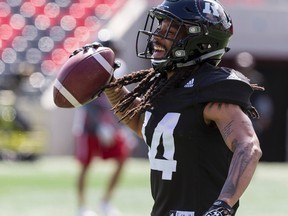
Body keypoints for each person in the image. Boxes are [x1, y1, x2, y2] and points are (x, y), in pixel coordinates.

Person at [72, 0, 263, 215]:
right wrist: (109, 85)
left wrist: (223, 205)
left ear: (199, 41)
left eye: (170, 31)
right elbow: (144, 125)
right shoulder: (167, 85)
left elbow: (248, 146)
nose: (156, 37)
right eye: (160, 27)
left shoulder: (212, 88)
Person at [72, 38, 133, 216]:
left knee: (122, 159)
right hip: (89, 125)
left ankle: (106, 202)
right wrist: (99, 125)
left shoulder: (120, 67)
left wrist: (123, 126)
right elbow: (86, 100)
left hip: (110, 124)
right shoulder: (90, 68)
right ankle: (81, 206)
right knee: (85, 166)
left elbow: (118, 100)